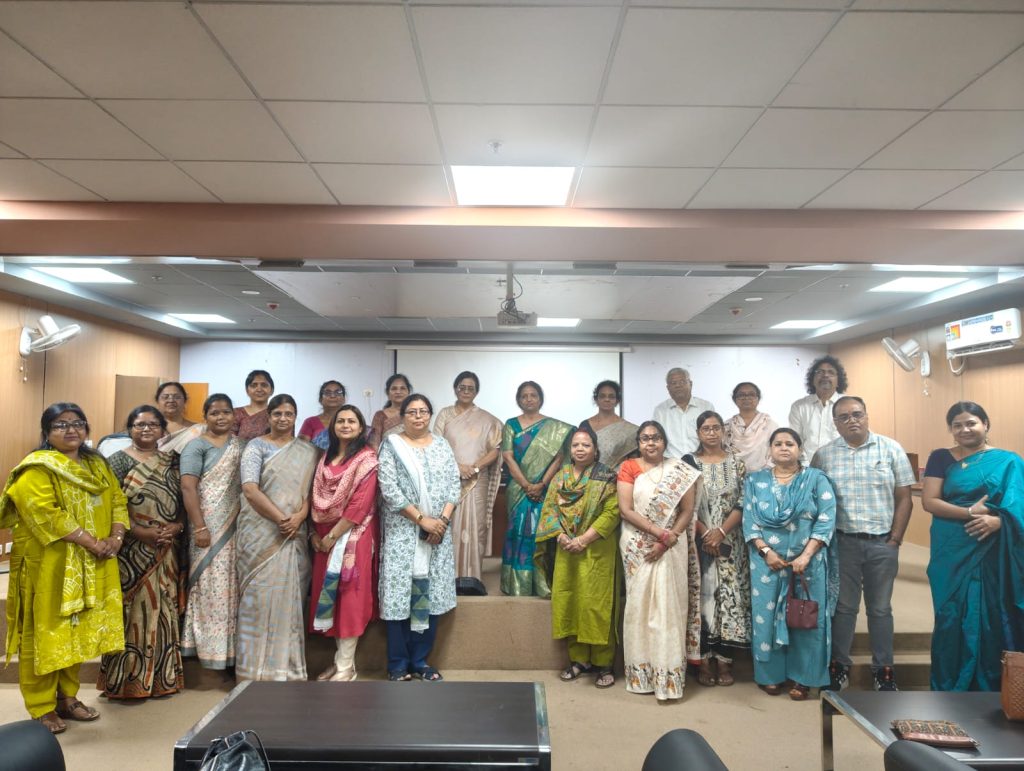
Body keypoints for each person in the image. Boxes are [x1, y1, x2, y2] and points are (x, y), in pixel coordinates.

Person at [0, 403, 129, 734]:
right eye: (61, 424)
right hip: (51, 565)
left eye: (77, 423)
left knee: (78, 630)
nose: (71, 430)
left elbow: (117, 499)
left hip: (93, 563)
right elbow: (45, 513)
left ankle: (68, 698)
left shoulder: (96, 464)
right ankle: (42, 706)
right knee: (46, 633)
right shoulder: (36, 468)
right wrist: (92, 542)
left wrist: (115, 537)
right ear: (46, 432)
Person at [811, 396, 914, 693]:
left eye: (857, 414)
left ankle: (884, 670)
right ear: (835, 423)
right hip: (842, 543)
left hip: (882, 543)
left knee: (880, 609)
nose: (852, 420)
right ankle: (839, 666)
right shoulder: (824, 456)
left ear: (867, 415)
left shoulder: (891, 449)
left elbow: (904, 498)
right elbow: (815, 499)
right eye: (843, 417)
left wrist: (896, 538)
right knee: (844, 608)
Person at [921, 401, 1024, 691]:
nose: (964, 429)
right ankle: (949, 686)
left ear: (985, 425)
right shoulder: (940, 457)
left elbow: (1019, 506)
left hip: (993, 550)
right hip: (951, 549)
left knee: (992, 614)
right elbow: (930, 501)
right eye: (957, 425)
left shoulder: (1009, 461)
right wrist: (969, 512)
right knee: (950, 615)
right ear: (951, 429)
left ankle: (993, 687)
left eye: (971, 423)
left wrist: (999, 522)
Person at [98, 405, 186, 700]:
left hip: (166, 549)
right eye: (139, 425)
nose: (146, 429)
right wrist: (139, 531)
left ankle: (162, 680)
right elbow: (110, 506)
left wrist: (177, 527)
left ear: (163, 430)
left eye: (152, 425)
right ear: (129, 429)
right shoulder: (116, 462)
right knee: (132, 613)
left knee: (164, 611)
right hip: (131, 549)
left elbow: (185, 500)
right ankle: (125, 683)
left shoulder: (173, 461)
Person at [743, 428, 837, 701]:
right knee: (766, 617)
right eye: (778, 444)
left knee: (806, 618)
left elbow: (826, 519)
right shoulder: (755, 481)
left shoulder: (816, 479)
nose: (784, 448)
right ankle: (770, 675)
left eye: (790, 443)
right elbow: (749, 521)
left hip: (807, 564)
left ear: (800, 449)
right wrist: (766, 552)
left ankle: (803, 678)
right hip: (767, 564)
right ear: (770, 450)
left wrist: (806, 556)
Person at [377, 394, 461, 682]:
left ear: (430, 415)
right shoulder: (392, 445)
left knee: (429, 593)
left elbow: (454, 485)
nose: (418, 416)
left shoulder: (442, 445)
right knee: (400, 595)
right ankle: (398, 663)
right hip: (403, 531)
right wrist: (421, 519)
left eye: (423, 411)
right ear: (402, 416)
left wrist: (441, 523)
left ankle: (421, 661)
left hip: (437, 533)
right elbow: (389, 489)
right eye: (411, 412)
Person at [616, 420, 702, 701]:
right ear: (638, 443)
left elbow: (686, 511)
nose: (650, 443)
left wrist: (667, 539)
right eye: (644, 438)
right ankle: (642, 675)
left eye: (655, 438)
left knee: (668, 608)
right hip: (637, 544)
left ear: (664, 441)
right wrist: (658, 533)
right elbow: (626, 510)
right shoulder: (629, 467)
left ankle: (668, 678)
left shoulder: (679, 470)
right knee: (639, 608)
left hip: (672, 545)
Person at [236, 395, 318, 681]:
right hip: (260, 532)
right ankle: (251, 672)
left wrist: (298, 517)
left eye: (289, 414)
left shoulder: (308, 451)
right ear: (268, 416)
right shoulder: (255, 447)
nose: (283, 419)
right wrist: (281, 519)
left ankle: (286, 669)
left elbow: (309, 494)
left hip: (294, 534)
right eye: (278, 414)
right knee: (257, 600)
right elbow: (250, 489)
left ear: (296, 417)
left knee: (290, 602)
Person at [535, 426, 621, 689]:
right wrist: (561, 536)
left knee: (597, 604)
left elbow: (612, 512)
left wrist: (584, 539)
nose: (580, 449)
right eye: (575, 445)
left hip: (597, 549)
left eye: (585, 445)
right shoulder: (560, 476)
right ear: (570, 450)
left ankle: (604, 663)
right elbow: (549, 510)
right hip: (567, 550)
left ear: (595, 449)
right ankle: (579, 660)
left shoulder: (607, 476)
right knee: (570, 601)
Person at [309, 405, 379, 682]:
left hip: (353, 535)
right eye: (341, 421)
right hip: (323, 536)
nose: (346, 425)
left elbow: (360, 505)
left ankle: (347, 666)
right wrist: (316, 535)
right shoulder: (324, 457)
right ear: (333, 426)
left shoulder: (367, 459)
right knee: (330, 597)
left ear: (361, 428)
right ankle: (339, 661)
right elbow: (313, 498)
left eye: (352, 421)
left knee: (349, 597)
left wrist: (332, 536)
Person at [683, 411, 750, 688]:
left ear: (723, 430)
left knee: (729, 598)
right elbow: (685, 505)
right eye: (705, 429)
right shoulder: (688, 463)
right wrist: (706, 534)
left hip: (731, 542)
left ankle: (724, 661)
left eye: (715, 428)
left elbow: (743, 501)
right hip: (699, 541)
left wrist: (721, 532)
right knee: (703, 599)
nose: (711, 433)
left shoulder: (737, 463)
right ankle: (703, 660)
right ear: (698, 433)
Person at [180, 393, 245, 670]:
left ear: (234, 416)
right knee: (208, 588)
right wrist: (200, 527)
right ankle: (207, 650)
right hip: (206, 529)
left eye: (226, 412)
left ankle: (229, 653)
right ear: (205, 416)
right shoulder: (196, 446)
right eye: (214, 413)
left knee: (232, 587)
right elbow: (188, 488)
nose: (221, 417)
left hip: (236, 528)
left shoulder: (241, 445)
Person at [432, 371, 503, 595]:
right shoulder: (445, 415)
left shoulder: (488, 420)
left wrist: (474, 467)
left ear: (476, 392)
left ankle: (474, 577)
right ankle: (448, 577)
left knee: (476, 526)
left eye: (470, 388)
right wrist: (457, 467)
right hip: (449, 478)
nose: (465, 391)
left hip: (477, 480)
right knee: (450, 525)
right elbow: (436, 446)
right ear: (455, 389)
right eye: (461, 387)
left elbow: (495, 449)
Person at [500, 381, 573, 596]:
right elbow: (508, 457)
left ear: (540, 398)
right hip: (518, 490)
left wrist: (541, 485)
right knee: (517, 532)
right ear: (518, 400)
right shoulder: (511, 425)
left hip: (545, 489)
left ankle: (542, 582)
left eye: (533, 395)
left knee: (541, 534)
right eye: (524, 396)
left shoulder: (555, 428)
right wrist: (526, 485)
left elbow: (559, 457)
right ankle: (517, 584)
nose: (529, 399)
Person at [788, 355, 847, 461]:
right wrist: (806, 466)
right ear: (812, 380)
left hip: (840, 464)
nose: (825, 375)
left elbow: (854, 438)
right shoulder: (799, 406)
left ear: (838, 381)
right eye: (820, 372)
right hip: (807, 465)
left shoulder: (848, 405)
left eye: (831, 372)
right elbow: (795, 440)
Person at [652, 368, 715, 458]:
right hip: (671, 462)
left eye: (682, 382)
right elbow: (656, 440)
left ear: (691, 384)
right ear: (668, 388)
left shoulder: (706, 407)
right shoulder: (660, 411)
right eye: (673, 383)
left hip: (702, 461)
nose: (678, 386)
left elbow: (713, 437)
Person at [578, 380, 639, 469]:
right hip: (585, 474)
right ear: (596, 399)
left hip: (615, 475)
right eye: (602, 396)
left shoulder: (629, 430)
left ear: (617, 400)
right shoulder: (585, 425)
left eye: (611, 397)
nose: (607, 399)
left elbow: (633, 462)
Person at [723, 382, 777, 472]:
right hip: (731, 475)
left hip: (764, 476)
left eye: (751, 395)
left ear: (758, 399)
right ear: (735, 400)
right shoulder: (726, 426)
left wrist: (762, 474)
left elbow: (776, 453)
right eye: (741, 395)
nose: (746, 398)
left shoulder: (770, 425)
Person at [299, 380, 347, 450]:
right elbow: (301, 450)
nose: (332, 396)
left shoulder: (350, 422)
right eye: (327, 393)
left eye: (338, 392)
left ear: (344, 399)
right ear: (320, 399)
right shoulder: (310, 422)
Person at [368, 374, 411, 450]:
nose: (398, 392)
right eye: (394, 389)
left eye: (402, 388)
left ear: (408, 392)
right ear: (387, 393)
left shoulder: (414, 414)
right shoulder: (380, 415)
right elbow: (374, 444)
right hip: (386, 455)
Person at [233, 369, 274, 441]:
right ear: (247, 391)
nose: (259, 389)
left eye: (264, 385)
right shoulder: (236, 413)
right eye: (254, 385)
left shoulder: (279, 414)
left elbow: (287, 442)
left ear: (272, 390)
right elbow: (229, 441)